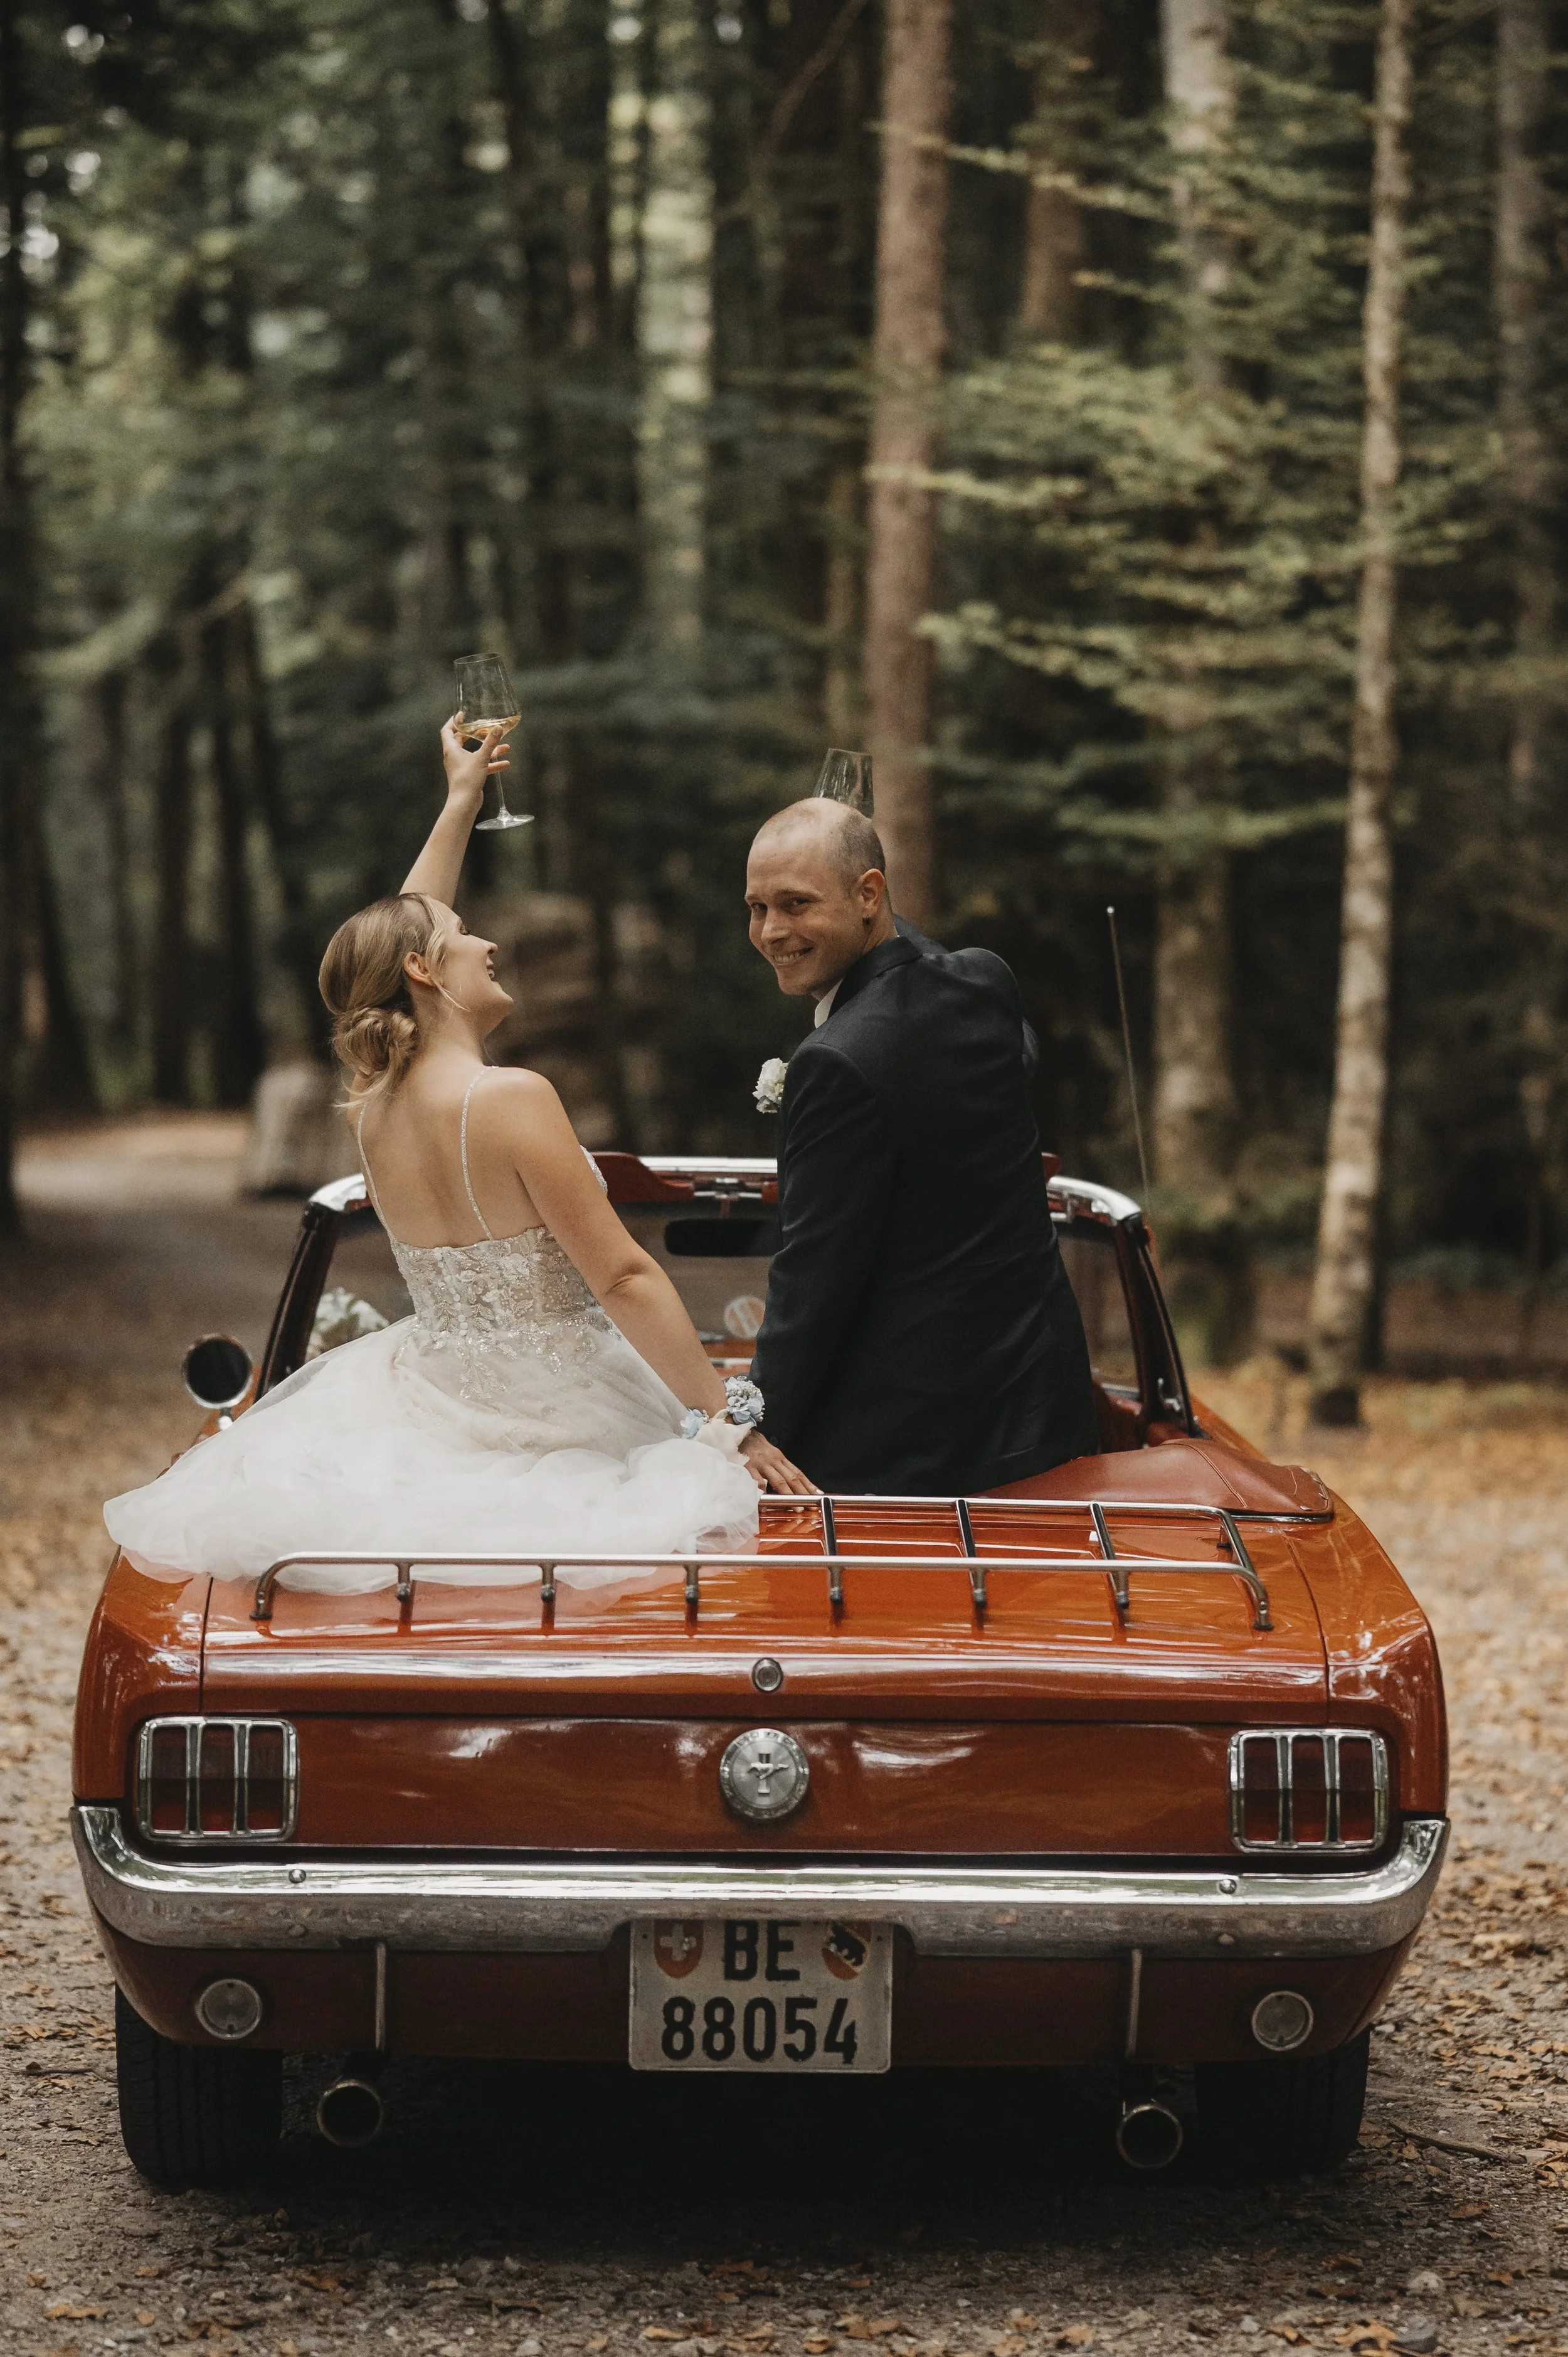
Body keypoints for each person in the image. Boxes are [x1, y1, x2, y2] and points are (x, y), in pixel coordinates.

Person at [105, 718, 812, 1597]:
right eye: (467, 934)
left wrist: (459, 803)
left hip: (427, 1414)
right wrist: (726, 1424)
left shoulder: (374, 1106)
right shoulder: (510, 1098)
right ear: (425, 970)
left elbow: (394, 942)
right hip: (567, 1419)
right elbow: (624, 1276)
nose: (487, 944)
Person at [744, 797, 1098, 1496]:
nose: (771, 931)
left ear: (869, 895)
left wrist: (752, 1428)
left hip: (913, 1452)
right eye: (757, 908)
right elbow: (1007, 1041)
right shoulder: (983, 981)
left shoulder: (834, 1060)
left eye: (796, 903)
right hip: (1044, 1415)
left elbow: (813, 1284)